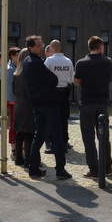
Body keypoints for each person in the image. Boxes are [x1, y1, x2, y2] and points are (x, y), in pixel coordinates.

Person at [23, 35, 72, 180]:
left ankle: (33, 168)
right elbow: (53, 79)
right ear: (30, 47)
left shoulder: (27, 61)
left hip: (36, 102)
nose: (41, 47)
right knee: (57, 135)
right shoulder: (36, 63)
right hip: (48, 102)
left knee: (39, 135)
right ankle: (60, 169)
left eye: (42, 45)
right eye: (38, 45)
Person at [73, 36, 112, 178]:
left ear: (89, 47)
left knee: (88, 138)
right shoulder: (108, 62)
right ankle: (108, 166)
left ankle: (94, 169)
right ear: (101, 47)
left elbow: (76, 81)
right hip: (103, 103)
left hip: (87, 103)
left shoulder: (81, 63)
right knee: (104, 136)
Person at [44, 40, 74, 152]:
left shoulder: (49, 61)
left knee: (52, 117)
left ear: (51, 47)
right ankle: (64, 140)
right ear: (60, 48)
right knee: (64, 117)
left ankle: (52, 143)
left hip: (52, 91)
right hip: (64, 92)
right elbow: (71, 79)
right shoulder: (68, 61)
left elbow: (44, 76)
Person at [12, 48, 34, 167]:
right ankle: (28, 160)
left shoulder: (16, 73)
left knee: (20, 132)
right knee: (30, 132)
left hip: (18, 104)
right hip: (28, 104)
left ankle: (19, 158)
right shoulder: (29, 73)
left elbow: (13, 90)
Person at [7, 47, 21, 151]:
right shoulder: (10, 69)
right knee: (13, 124)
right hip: (13, 101)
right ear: (12, 56)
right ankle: (14, 150)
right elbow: (11, 88)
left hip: (18, 101)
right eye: (18, 55)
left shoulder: (18, 67)